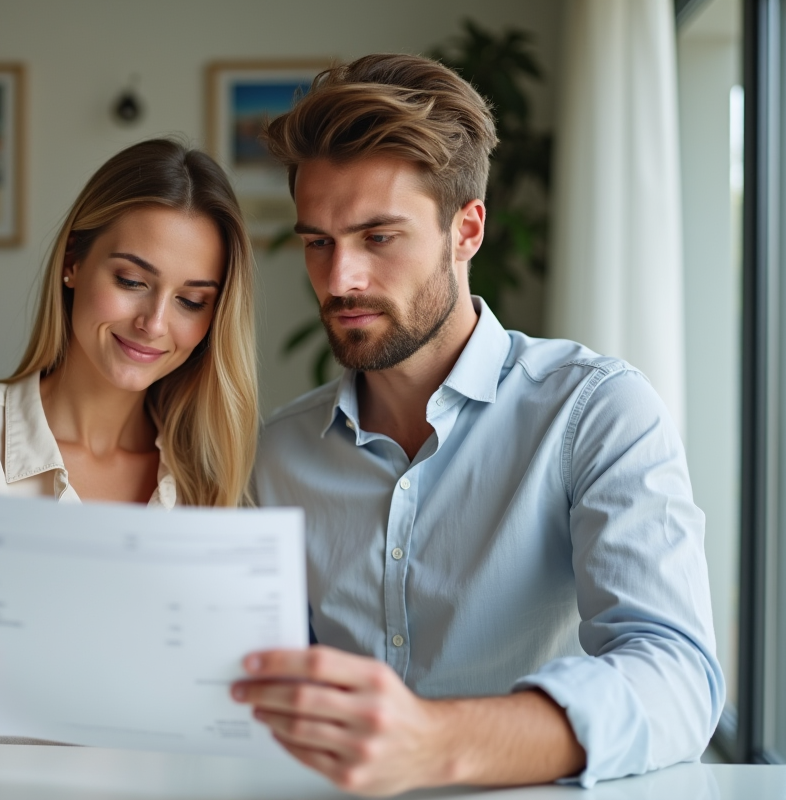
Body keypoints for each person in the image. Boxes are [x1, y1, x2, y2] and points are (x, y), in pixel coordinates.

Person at [234, 54, 723, 794]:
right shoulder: (278, 454)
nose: (340, 281)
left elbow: (678, 678)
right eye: (317, 242)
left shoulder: (594, 412)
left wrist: (436, 742)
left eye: (379, 237)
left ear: (467, 231)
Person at [0, 138, 258, 744]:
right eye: (133, 280)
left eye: (192, 300)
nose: (156, 323)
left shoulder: (204, 482)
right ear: (74, 261)